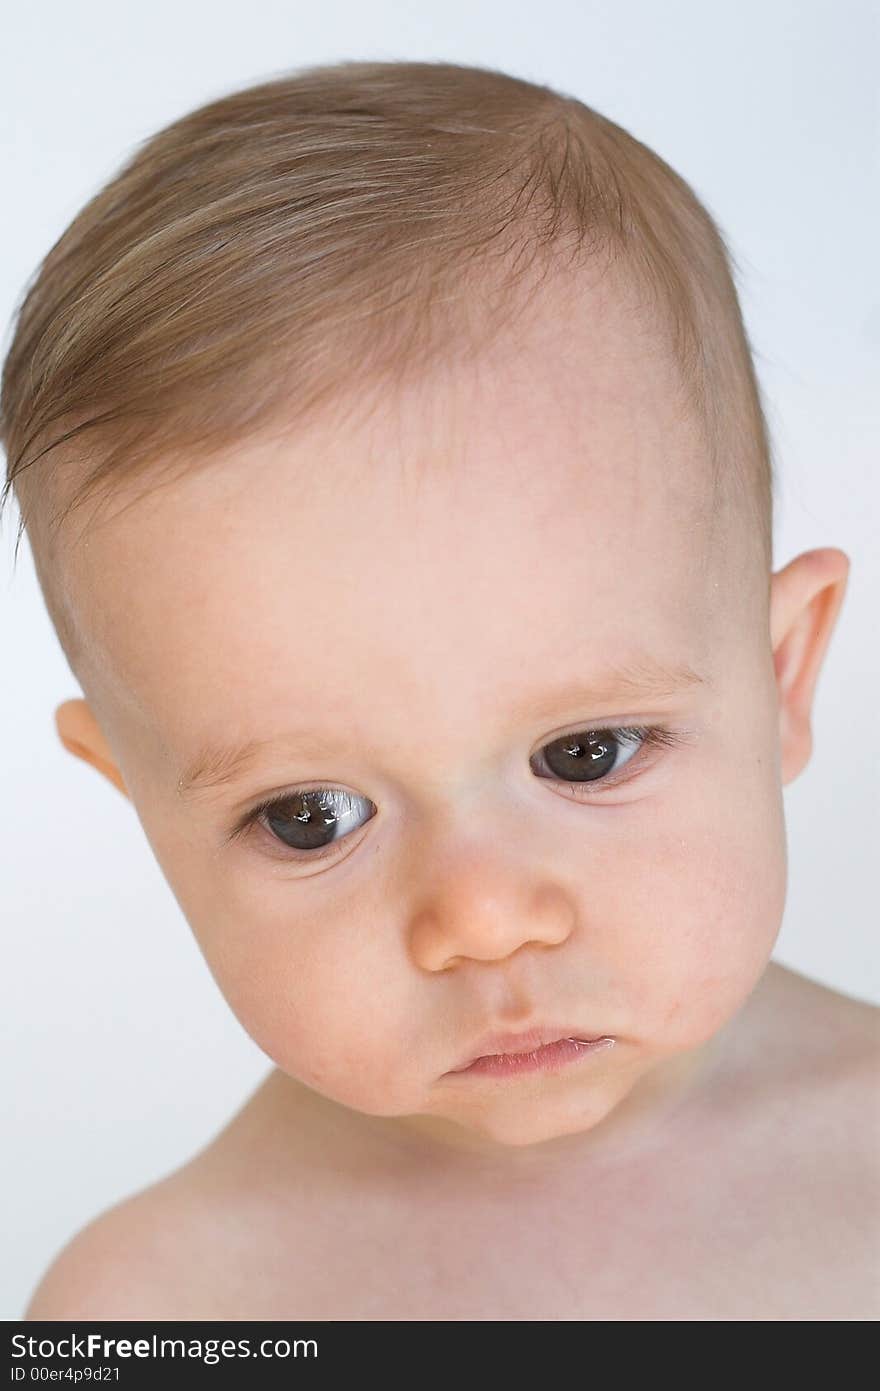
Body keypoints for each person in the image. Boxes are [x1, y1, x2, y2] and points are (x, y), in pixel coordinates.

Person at [3, 59, 876, 1321]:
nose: (480, 918)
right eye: (311, 814)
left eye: (584, 753)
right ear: (140, 805)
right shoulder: (163, 1306)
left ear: (783, 672)